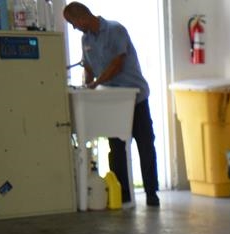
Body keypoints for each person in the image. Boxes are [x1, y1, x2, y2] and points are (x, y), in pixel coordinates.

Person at [62, 3, 159, 207]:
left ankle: (151, 192)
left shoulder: (115, 30)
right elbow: (88, 66)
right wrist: (87, 84)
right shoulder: (85, 39)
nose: (74, 28)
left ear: (82, 18)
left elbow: (117, 63)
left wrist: (97, 83)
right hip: (113, 101)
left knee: (145, 144)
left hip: (135, 97)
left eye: (73, 23)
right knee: (116, 148)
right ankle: (123, 194)